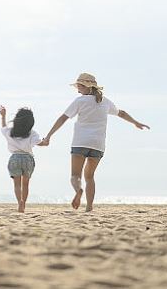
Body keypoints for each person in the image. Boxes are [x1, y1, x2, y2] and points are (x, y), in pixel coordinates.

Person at [43, 73, 150, 212]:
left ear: (86, 87)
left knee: (75, 176)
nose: (77, 90)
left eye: (79, 87)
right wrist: (136, 122)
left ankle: (78, 190)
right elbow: (121, 113)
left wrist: (49, 135)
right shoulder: (104, 101)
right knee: (90, 177)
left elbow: (63, 118)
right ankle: (89, 207)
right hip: (97, 145)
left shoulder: (80, 101)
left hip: (80, 142)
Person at [0, 106, 46, 212]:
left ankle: (19, 201)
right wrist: (45, 142)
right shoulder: (32, 133)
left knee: (17, 184)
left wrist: (3, 116)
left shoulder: (10, 131)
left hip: (14, 158)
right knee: (25, 184)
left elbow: (4, 127)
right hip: (28, 159)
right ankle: (23, 202)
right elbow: (39, 143)